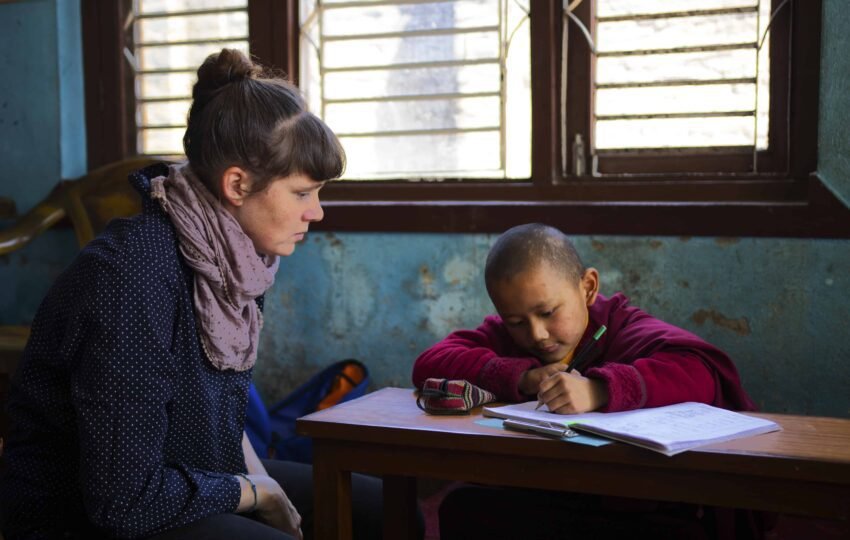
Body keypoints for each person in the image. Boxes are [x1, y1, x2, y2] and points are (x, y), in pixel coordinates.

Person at [0, 49, 388, 540]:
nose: (317, 213)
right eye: (302, 193)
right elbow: (123, 499)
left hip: (185, 474)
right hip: (90, 512)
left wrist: (261, 480)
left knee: (379, 507)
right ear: (237, 184)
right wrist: (256, 494)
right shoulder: (131, 277)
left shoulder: (233, 257)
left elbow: (223, 411)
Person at [412, 223, 765, 539]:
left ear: (588, 287)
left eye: (548, 312)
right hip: (548, 493)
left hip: (632, 502)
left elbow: (699, 369)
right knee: (463, 508)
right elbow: (430, 363)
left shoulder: (621, 327)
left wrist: (600, 390)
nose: (536, 334)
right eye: (516, 322)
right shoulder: (505, 336)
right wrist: (521, 377)